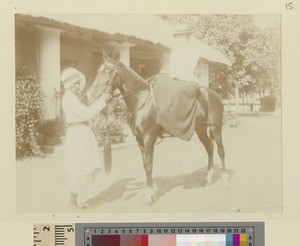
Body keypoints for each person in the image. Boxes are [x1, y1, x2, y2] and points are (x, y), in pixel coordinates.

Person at [60, 67, 111, 208]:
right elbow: (86, 113)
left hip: (81, 133)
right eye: (76, 84)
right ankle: (73, 203)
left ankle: (74, 201)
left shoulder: (72, 98)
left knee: (83, 166)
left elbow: (86, 106)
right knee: (79, 168)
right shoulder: (69, 99)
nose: (78, 87)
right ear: (70, 86)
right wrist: (103, 101)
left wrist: (102, 98)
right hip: (77, 135)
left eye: (78, 84)